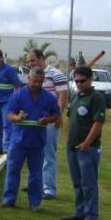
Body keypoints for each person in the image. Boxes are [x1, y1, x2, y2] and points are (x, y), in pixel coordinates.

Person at [1, 67, 61, 210]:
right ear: (28, 79)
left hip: (37, 142)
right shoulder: (18, 95)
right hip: (18, 141)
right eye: (35, 81)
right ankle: (9, 199)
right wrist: (18, 117)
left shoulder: (49, 98)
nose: (37, 84)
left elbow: (56, 115)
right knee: (13, 170)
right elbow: (9, 115)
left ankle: (35, 202)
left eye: (40, 82)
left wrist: (47, 119)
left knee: (36, 174)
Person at [61, 66, 105, 220]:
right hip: (72, 147)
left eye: (82, 81)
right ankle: (79, 212)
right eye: (76, 81)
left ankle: (91, 216)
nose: (79, 84)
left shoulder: (96, 98)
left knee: (89, 183)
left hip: (88, 149)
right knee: (77, 183)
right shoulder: (75, 96)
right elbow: (70, 119)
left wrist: (86, 143)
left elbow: (98, 122)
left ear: (90, 79)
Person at [26, 49, 69, 199]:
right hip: (33, 122)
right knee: (34, 154)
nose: (30, 63)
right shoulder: (32, 76)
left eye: (32, 60)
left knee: (48, 155)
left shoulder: (55, 73)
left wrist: (58, 116)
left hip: (49, 121)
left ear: (41, 58)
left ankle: (49, 188)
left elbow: (63, 95)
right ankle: (35, 184)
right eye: (28, 61)